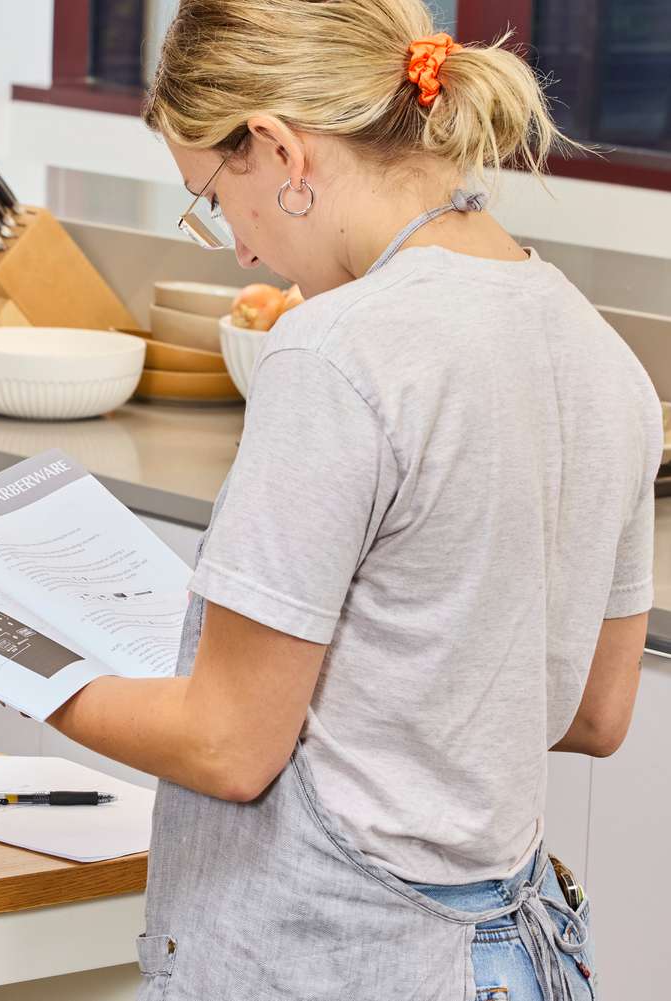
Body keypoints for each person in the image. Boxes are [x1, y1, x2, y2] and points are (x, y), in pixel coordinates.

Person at [46, 1, 658, 998]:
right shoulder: (600, 354)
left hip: (336, 959)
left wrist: (30, 665)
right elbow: (595, 709)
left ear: (280, 151)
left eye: (211, 197)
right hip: (516, 959)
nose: (237, 250)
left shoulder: (338, 352)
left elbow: (229, 742)